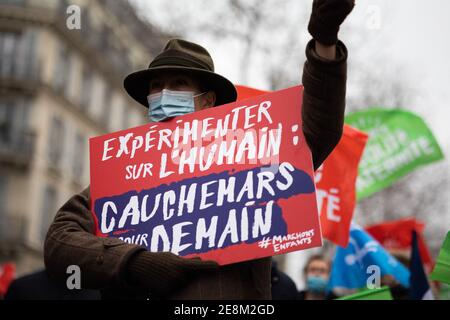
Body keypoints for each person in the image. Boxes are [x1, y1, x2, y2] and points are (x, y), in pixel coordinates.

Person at [44, 0, 355, 300]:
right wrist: (133, 262)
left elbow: (318, 130)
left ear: (207, 101)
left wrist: (323, 44)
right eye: (155, 86)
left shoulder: (246, 155)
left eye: (179, 83)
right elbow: (59, 243)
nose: (163, 94)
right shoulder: (124, 172)